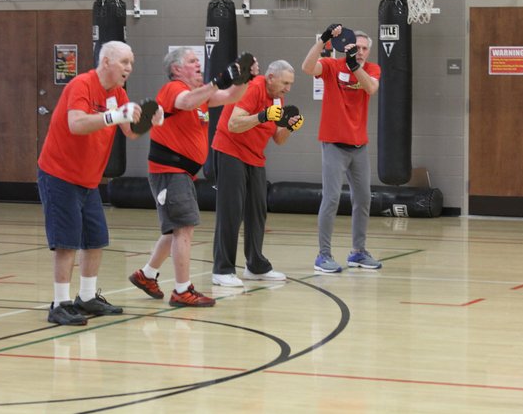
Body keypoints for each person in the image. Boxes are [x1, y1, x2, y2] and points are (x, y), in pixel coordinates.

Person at [38, 41, 163, 326]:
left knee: (95, 239)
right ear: (106, 61)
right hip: (59, 174)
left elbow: (129, 132)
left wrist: (150, 122)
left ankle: (87, 297)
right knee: (66, 242)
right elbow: (76, 124)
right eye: (124, 62)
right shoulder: (81, 85)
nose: (129, 68)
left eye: (131, 63)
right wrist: (113, 115)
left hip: (89, 178)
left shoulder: (117, 93)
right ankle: (60, 303)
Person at [128, 47, 254, 306]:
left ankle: (146, 275)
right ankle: (182, 290)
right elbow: (186, 102)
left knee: (175, 227)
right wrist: (217, 81)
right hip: (169, 171)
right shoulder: (174, 88)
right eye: (192, 61)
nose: (199, 64)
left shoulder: (201, 96)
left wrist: (244, 78)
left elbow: (231, 96)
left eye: (199, 60)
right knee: (184, 227)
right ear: (176, 69)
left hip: (181, 173)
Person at [210, 59, 303, 287]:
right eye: (285, 83)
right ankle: (222, 269)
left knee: (257, 211)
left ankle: (255, 265)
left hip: (255, 157)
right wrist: (263, 116)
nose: (288, 88)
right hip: (230, 151)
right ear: (270, 77)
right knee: (231, 211)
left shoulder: (278, 98)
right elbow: (234, 123)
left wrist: (289, 127)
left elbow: (278, 139)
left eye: (290, 84)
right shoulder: (253, 87)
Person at [302, 24, 382, 273]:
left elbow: (371, 88)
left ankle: (358, 252)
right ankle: (323, 255)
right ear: (347, 45)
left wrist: (354, 66)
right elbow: (307, 67)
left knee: (363, 198)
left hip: (359, 146)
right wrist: (323, 40)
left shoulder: (371, 69)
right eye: (356, 47)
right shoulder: (331, 67)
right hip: (334, 144)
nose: (361, 51)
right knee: (332, 198)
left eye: (365, 48)